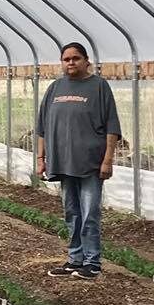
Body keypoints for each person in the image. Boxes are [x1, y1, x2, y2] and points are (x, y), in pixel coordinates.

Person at [36, 42, 122, 280]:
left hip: (90, 164)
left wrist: (107, 160)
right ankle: (75, 259)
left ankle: (92, 263)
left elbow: (112, 126)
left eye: (76, 58)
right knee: (71, 213)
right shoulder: (55, 88)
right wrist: (41, 158)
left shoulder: (99, 87)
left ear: (86, 61)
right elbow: (42, 127)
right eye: (66, 59)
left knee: (89, 214)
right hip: (63, 163)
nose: (71, 62)